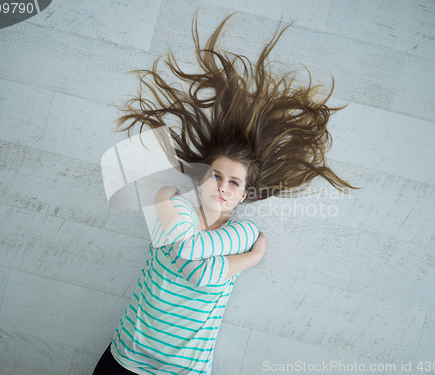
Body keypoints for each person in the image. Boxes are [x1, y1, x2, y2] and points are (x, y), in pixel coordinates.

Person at [94, 9, 359, 375]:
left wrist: (244, 254)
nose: (221, 187)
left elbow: (194, 262)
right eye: (216, 176)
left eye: (233, 182)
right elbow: (195, 259)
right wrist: (249, 260)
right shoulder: (173, 203)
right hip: (124, 358)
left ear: (246, 193)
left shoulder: (245, 233)